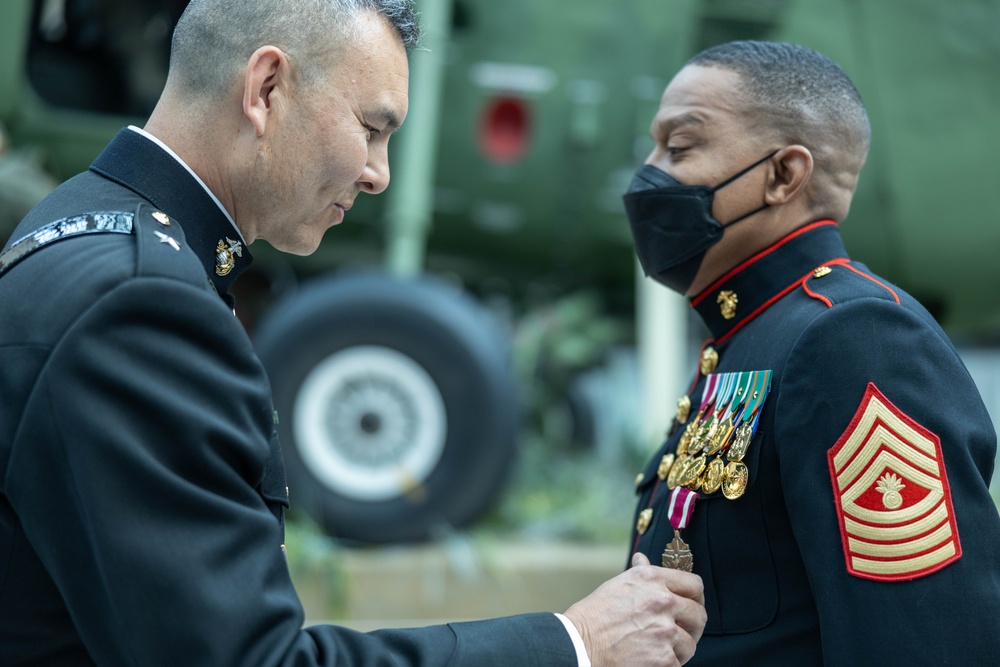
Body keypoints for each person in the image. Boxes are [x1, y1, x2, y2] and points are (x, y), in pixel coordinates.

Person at [0, 1, 706, 665]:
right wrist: (572, 641)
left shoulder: (78, 225)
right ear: (267, 88)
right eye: (371, 129)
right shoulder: (144, 305)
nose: (379, 175)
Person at [622, 39, 1000, 665]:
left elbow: (923, 638)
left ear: (783, 175)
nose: (651, 172)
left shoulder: (854, 338)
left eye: (680, 146)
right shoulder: (752, 333)